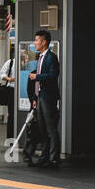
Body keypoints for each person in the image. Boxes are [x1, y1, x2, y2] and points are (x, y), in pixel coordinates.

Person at [30, 30, 61, 169]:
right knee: (42, 127)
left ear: (44, 42)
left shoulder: (51, 57)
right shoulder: (40, 57)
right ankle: (44, 156)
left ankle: (54, 158)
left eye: (37, 40)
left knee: (51, 128)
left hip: (49, 97)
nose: (35, 43)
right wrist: (35, 97)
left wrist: (37, 77)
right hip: (41, 96)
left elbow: (53, 75)